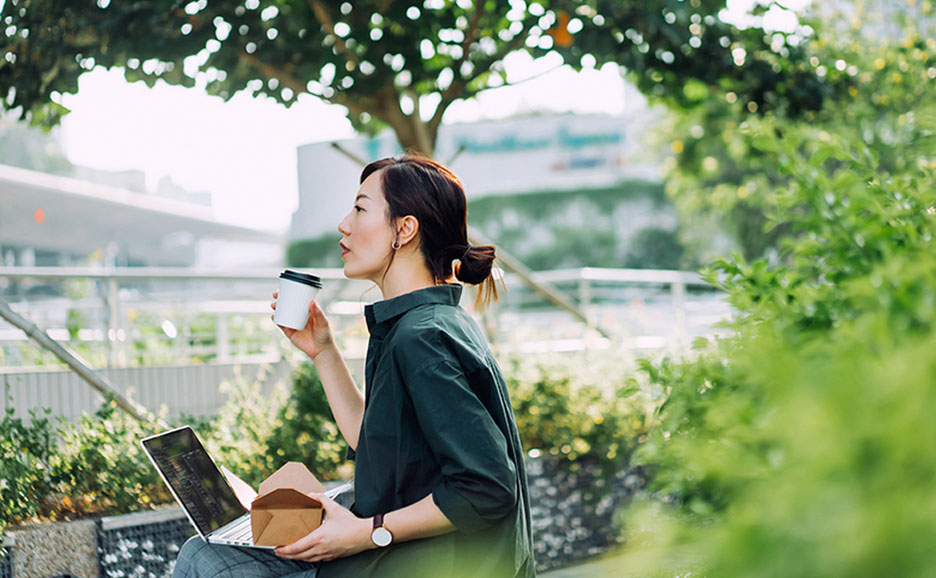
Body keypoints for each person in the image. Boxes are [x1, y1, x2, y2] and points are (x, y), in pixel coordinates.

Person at [173, 155, 536, 578]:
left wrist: (366, 533)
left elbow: (488, 489)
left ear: (404, 229)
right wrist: (323, 351)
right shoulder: (417, 324)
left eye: (361, 209)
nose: (344, 224)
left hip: (436, 564)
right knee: (212, 554)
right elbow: (376, 441)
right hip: (409, 553)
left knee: (205, 561)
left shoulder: (423, 337)